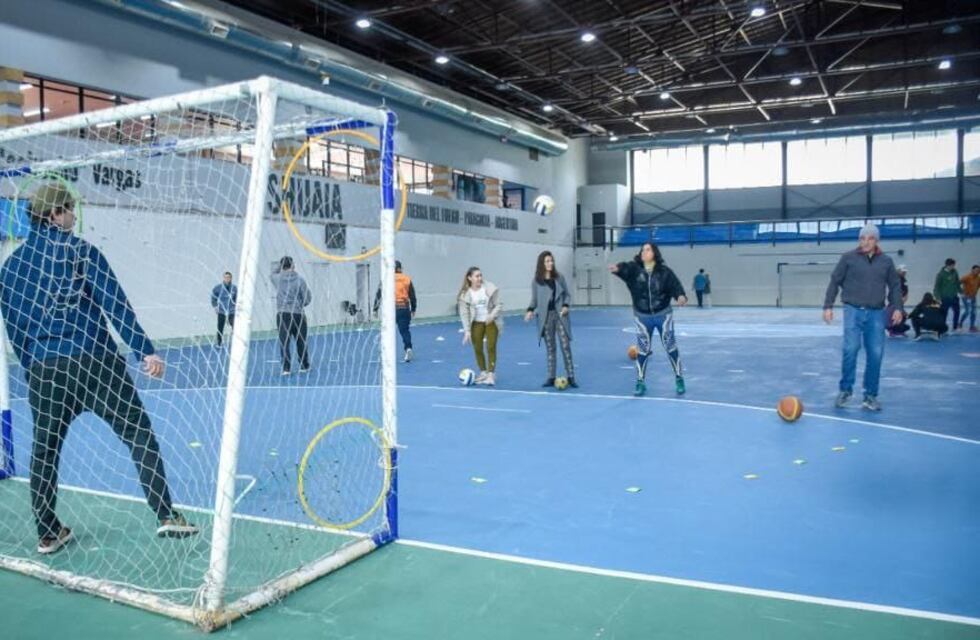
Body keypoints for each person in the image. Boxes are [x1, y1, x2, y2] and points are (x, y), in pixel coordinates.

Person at [0, 182, 197, 554]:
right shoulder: (81, 252)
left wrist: (33, 367)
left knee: (44, 449)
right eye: (69, 208)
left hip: (44, 369)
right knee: (138, 433)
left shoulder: (10, 268)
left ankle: (47, 533)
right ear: (55, 214)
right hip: (94, 361)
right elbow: (114, 304)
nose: (74, 214)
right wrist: (145, 351)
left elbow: (14, 327)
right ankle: (167, 515)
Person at [823, 223, 903, 412]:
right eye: (862, 238)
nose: (865, 242)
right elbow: (835, 281)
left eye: (870, 238)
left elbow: (895, 285)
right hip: (853, 310)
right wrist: (828, 306)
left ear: (876, 240)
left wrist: (898, 307)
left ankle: (870, 396)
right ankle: (845, 391)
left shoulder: (886, 261)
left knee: (876, 354)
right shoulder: (848, 258)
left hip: (876, 313)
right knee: (850, 349)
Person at [609, 242, 688, 397]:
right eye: (642, 250)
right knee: (643, 350)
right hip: (642, 317)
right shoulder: (633, 270)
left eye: (648, 249)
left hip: (663, 315)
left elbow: (675, 286)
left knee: (670, 347)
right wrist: (617, 268)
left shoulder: (665, 272)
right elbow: (624, 268)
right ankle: (640, 382)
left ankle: (679, 379)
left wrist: (680, 296)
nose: (644, 252)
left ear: (654, 253)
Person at [524, 251, 576, 388]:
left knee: (565, 346)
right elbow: (534, 300)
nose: (550, 263)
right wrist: (529, 311)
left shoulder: (559, 277)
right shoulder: (536, 282)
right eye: (547, 261)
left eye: (551, 261)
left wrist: (565, 306)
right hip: (545, 318)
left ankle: (571, 376)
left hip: (560, 315)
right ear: (541, 263)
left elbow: (567, 295)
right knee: (550, 348)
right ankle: (551, 377)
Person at [458, 266, 502, 386]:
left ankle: (491, 374)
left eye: (480, 275)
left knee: (491, 347)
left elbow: (499, 305)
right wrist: (467, 331)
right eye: (476, 276)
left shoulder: (489, 288)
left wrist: (491, 315)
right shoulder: (466, 295)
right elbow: (464, 313)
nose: (479, 278)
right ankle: (483, 372)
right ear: (470, 278)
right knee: (477, 347)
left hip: (490, 321)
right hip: (476, 323)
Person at [273, 256, 312, 375]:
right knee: (301, 340)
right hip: (298, 314)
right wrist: (301, 304)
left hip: (283, 314)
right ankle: (304, 366)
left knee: (284, 342)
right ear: (293, 265)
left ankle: (286, 369)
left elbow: (273, 272)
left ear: (281, 266)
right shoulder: (300, 279)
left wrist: (280, 266)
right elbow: (307, 298)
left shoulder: (277, 278)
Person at [373, 260, 417, 362]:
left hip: (390, 309)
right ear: (399, 269)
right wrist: (413, 309)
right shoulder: (407, 279)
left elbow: (379, 295)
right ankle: (408, 348)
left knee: (387, 331)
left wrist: (375, 309)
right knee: (404, 330)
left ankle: (384, 353)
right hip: (404, 308)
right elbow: (412, 296)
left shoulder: (386, 279)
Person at [933, 258, 962, 333]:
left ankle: (955, 327)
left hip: (954, 297)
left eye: (954, 265)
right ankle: (943, 328)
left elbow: (957, 283)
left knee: (957, 312)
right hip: (945, 297)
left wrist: (961, 292)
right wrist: (938, 298)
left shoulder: (955, 272)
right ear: (947, 265)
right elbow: (936, 287)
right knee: (944, 314)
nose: (953, 267)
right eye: (952, 265)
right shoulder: (940, 274)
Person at [210, 271, 237, 346]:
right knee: (220, 327)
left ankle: (236, 341)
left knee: (235, 326)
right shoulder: (218, 288)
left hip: (232, 311)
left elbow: (237, 298)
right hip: (222, 311)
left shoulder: (234, 288)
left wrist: (237, 306)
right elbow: (213, 297)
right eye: (225, 277)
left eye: (228, 277)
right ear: (223, 278)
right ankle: (219, 342)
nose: (227, 279)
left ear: (231, 278)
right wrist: (215, 306)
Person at [886, 265, 910, 338]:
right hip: (895, 302)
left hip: (900, 301)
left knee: (903, 316)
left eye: (905, 272)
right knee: (894, 316)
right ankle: (892, 330)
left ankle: (899, 330)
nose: (904, 273)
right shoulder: (895, 280)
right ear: (899, 271)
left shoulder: (903, 280)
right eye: (903, 271)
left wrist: (904, 298)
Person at [960, 264, 980, 333]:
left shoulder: (978, 278)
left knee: (974, 312)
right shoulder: (967, 277)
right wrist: (961, 292)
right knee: (967, 311)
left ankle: (972, 326)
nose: (977, 272)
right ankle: (960, 324)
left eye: (979, 270)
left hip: (973, 297)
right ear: (972, 270)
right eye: (976, 270)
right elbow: (957, 283)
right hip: (966, 297)